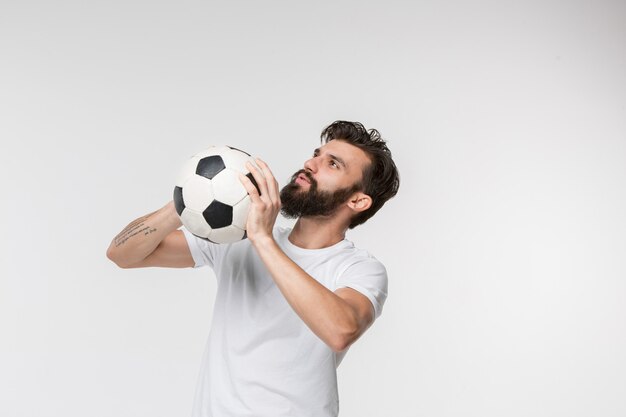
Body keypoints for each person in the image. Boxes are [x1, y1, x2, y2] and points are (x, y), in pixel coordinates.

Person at [106, 120, 400, 417]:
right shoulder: (237, 236)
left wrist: (262, 238)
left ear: (358, 200)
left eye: (332, 164)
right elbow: (122, 253)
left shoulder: (359, 268)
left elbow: (340, 330)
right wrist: (191, 195)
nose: (310, 164)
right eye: (316, 154)